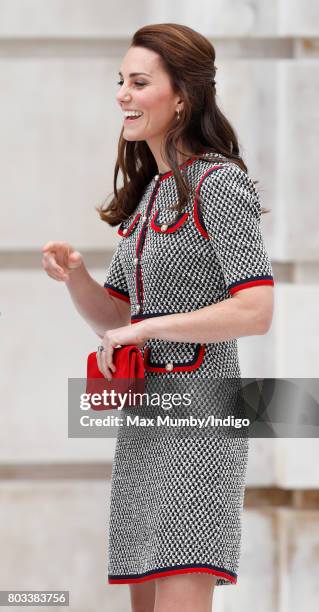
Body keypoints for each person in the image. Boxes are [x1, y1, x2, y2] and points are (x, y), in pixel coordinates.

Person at [42, 22, 274, 612]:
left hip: (204, 424)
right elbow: (116, 315)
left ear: (183, 96)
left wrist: (145, 329)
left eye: (139, 81)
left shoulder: (219, 184)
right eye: (121, 80)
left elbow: (256, 309)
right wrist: (78, 279)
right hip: (146, 421)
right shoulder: (151, 195)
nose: (122, 92)